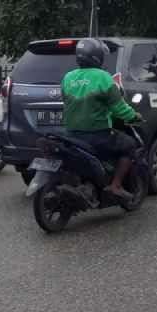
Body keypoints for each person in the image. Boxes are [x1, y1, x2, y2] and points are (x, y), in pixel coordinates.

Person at [61, 38, 141, 200]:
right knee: (129, 145)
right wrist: (134, 116)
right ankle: (116, 185)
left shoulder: (68, 77)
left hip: (70, 135)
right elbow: (119, 108)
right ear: (98, 57)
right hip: (97, 135)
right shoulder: (103, 77)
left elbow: (67, 101)